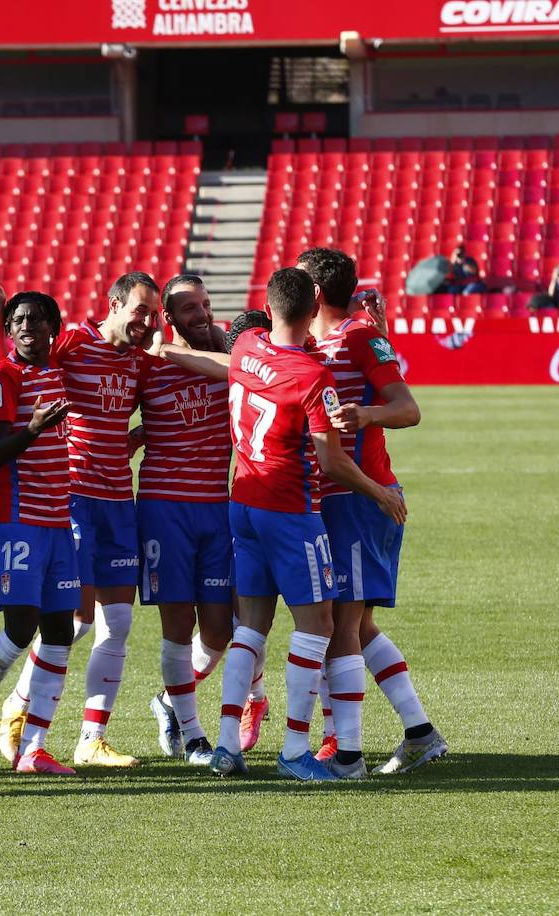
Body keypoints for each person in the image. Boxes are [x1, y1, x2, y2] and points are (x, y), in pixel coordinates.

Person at [157, 268, 406, 782]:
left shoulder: (249, 344)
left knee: (251, 627)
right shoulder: (314, 378)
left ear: (268, 310)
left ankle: (227, 746)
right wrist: (379, 492)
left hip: (243, 504)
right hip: (292, 513)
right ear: (314, 308)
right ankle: (295, 750)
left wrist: (165, 350)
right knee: (319, 627)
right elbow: (332, 462)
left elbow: (224, 362)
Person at [0, 272, 159, 769]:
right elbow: (6, 368)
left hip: (118, 500)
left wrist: (136, 435)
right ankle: (18, 706)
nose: (147, 322)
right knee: (77, 620)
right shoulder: (74, 343)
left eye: (154, 314)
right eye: (140, 310)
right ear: (114, 305)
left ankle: (91, 738)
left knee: (117, 623)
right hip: (73, 495)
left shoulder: (139, 361)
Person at [298, 247, 447, 778]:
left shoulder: (358, 336)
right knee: (357, 626)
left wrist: (366, 415)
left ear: (316, 292)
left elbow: (408, 408)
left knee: (341, 623)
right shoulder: (317, 341)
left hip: (360, 499)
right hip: (333, 498)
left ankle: (347, 754)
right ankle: (420, 733)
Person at [0, 291, 77, 775]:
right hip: (16, 517)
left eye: (36, 320)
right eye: (17, 321)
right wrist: (34, 428)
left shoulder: (58, 370)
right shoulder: (2, 377)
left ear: (53, 328)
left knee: (60, 630)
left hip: (58, 520)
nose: (26, 327)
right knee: (21, 629)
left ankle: (34, 748)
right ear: (8, 331)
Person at [135, 275, 233, 767]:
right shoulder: (147, 366)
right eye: (190, 307)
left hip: (217, 506)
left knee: (219, 629)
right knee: (177, 624)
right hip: (165, 508)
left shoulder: (229, 357)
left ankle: (169, 701)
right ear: (168, 318)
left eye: (206, 304)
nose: (203, 314)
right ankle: (195, 738)